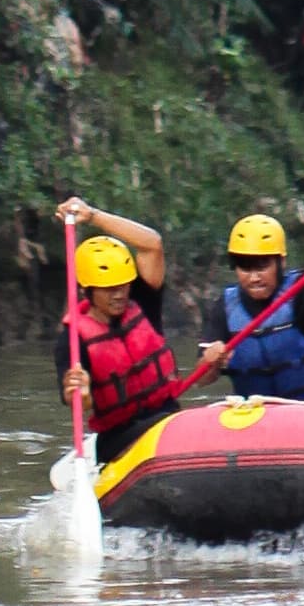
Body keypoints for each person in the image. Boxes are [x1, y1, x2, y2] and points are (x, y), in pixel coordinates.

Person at [55, 197, 180, 464]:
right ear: (87, 289)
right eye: (109, 288)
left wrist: (92, 215)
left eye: (123, 285)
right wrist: (81, 393)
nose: (119, 294)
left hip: (167, 422)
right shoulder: (73, 340)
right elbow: (76, 399)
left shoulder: (142, 302)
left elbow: (152, 244)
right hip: (120, 439)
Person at [197, 214, 304, 407]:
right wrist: (211, 362)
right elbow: (202, 379)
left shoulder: (302, 289)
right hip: (261, 418)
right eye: (245, 268)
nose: (254, 277)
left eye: (262, 266)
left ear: (281, 262)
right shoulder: (224, 307)